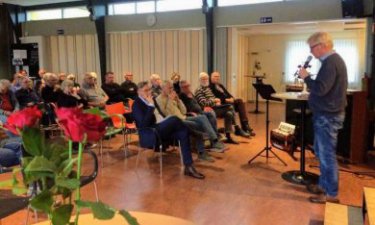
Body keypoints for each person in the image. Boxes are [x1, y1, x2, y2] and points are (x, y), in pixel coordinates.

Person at [298, 32, 347, 204]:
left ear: (322, 45)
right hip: (327, 114)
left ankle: (331, 194)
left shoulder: (331, 62)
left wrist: (307, 78)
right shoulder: (331, 61)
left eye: (312, 47)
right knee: (320, 152)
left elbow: (320, 89)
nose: (311, 52)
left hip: (328, 116)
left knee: (326, 156)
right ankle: (324, 185)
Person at [132, 81, 204, 179]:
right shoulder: (137, 104)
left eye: (149, 90)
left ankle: (189, 167)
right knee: (174, 119)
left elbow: (161, 114)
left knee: (183, 132)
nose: (149, 92)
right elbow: (143, 125)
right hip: (151, 133)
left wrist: (165, 118)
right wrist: (150, 106)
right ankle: (195, 133)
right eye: (146, 90)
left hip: (160, 127)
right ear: (139, 92)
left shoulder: (151, 100)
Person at [155, 81, 226, 161]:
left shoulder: (171, 96)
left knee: (202, 117)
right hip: (175, 122)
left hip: (183, 117)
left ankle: (214, 141)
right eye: (169, 88)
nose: (171, 89)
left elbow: (184, 111)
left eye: (172, 87)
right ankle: (202, 153)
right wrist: (170, 100)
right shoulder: (159, 99)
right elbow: (166, 113)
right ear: (163, 88)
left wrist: (178, 101)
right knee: (198, 127)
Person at [195, 72, 249, 143]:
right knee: (230, 107)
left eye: (206, 79)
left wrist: (218, 101)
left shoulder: (208, 89)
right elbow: (204, 104)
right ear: (199, 80)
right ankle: (237, 128)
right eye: (203, 79)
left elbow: (220, 97)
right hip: (209, 110)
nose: (205, 80)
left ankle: (228, 136)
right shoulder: (199, 90)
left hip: (216, 107)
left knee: (229, 113)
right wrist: (215, 101)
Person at [210, 71, 255, 136]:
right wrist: (226, 100)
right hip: (222, 105)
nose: (217, 78)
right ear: (211, 78)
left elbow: (228, 94)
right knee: (231, 105)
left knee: (240, 101)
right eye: (215, 76)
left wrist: (232, 98)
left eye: (218, 76)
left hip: (229, 102)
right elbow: (215, 98)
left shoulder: (220, 85)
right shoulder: (210, 87)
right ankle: (237, 129)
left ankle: (245, 125)